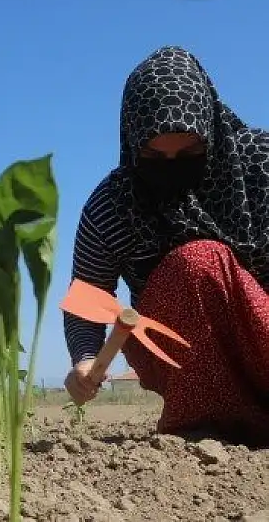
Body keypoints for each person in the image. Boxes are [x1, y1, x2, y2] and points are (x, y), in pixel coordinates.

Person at [63, 45, 269, 444]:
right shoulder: (114, 206)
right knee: (198, 262)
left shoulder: (259, 166)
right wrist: (85, 360)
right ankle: (210, 424)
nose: (172, 165)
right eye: (154, 155)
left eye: (190, 152)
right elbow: (87, 299)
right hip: (180, 352)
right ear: (132, 142)